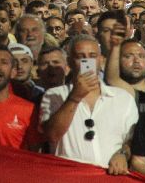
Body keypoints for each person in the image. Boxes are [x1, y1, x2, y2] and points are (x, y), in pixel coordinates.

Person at [40, 35, 138, 174]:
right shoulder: (54, 95)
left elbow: (132, 140)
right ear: (70, 62)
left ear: (101, 60)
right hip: (69, 177)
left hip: (111, 177)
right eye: (81, 56)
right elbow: (51, 135)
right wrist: (75, 97)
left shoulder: (123, 98)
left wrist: (122, 154)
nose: (87, 61)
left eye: (92, 56)